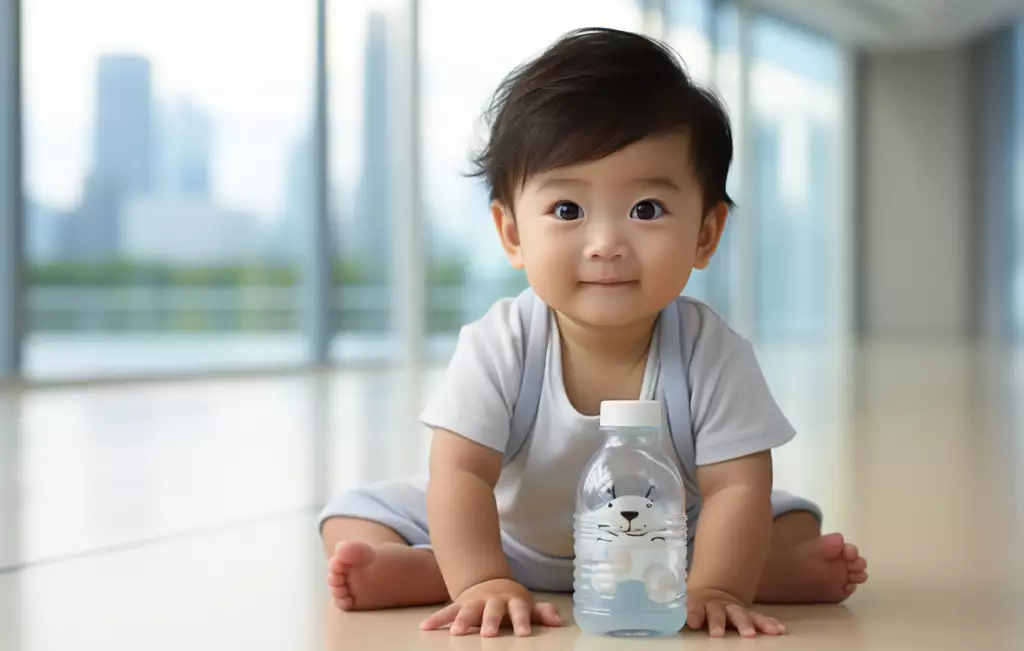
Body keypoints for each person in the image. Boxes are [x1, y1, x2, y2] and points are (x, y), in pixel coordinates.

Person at [320, 27, 868, 639]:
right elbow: (460, 474)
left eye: (646, 210)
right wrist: (481, 577)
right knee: (352, 515)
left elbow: (737, 483)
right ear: (512, 234)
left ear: (706, 234)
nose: (606, 245)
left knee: (784, 516)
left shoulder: (710, 351)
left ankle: (733, 573)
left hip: (661, 544)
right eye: (567, 211)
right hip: (508, 536)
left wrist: (717, 587)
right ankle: (457, 578)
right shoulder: (503, 341)